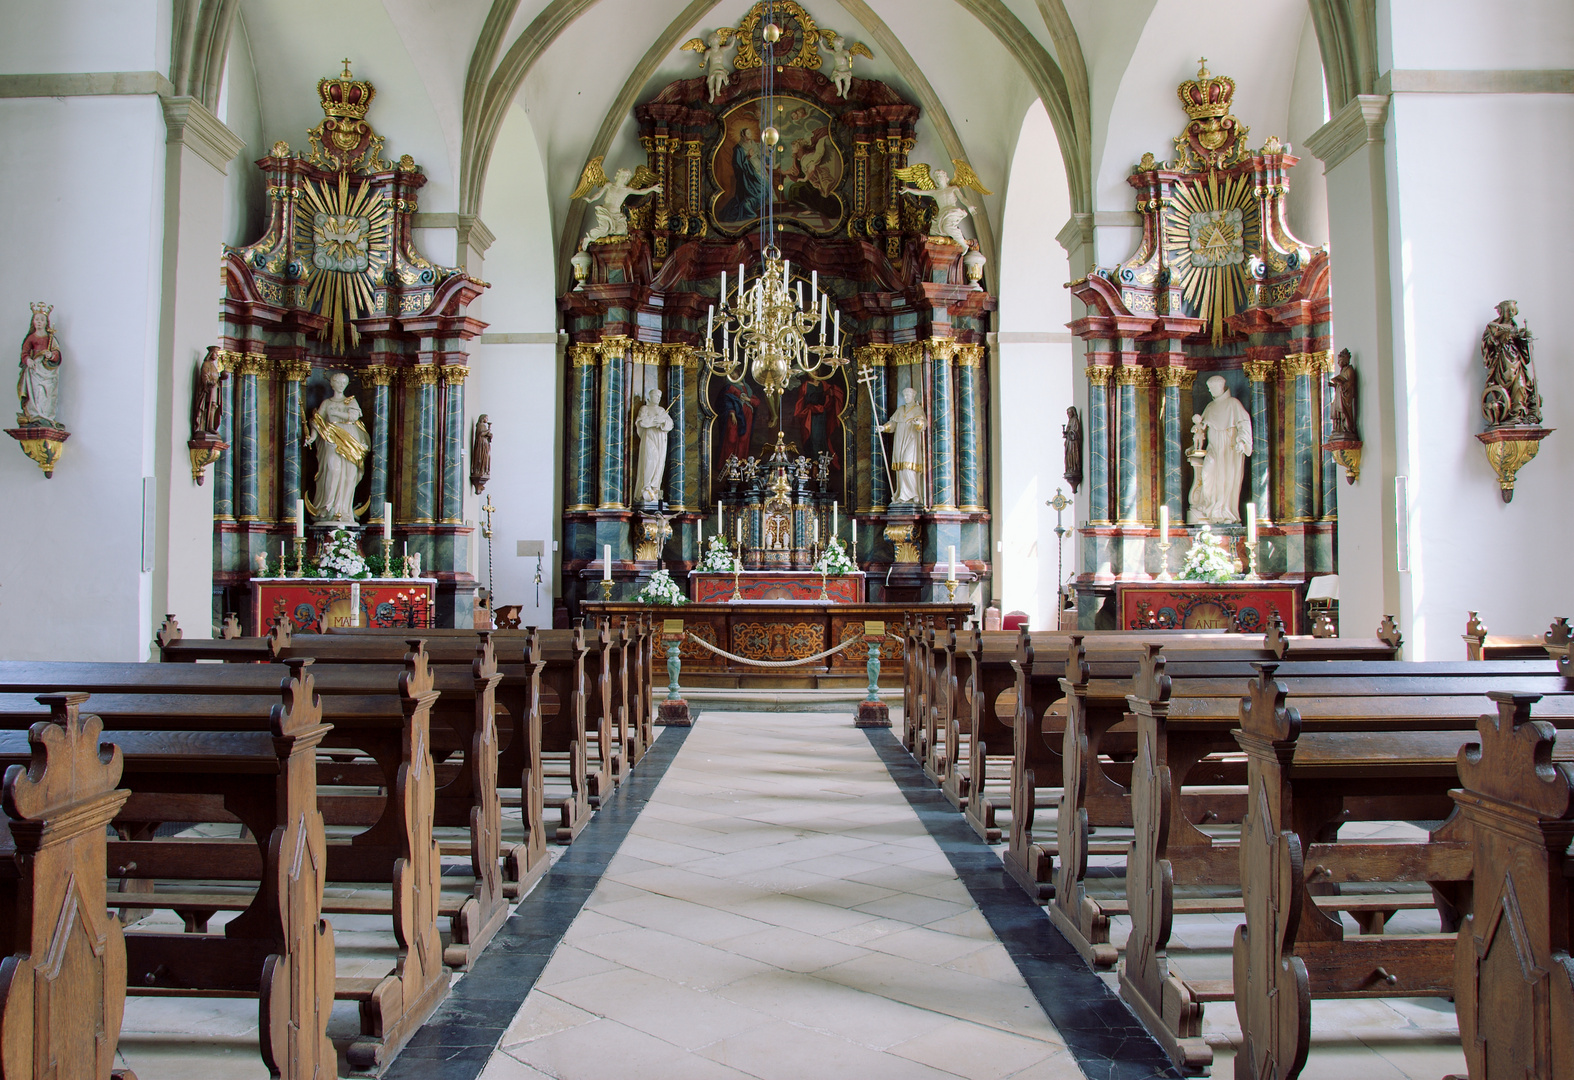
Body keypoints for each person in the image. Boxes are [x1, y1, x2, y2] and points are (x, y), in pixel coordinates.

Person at [303, 371, 369, 523]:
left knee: (349, 474)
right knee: (333, 470)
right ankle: (329, 507)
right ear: (332, 384)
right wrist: (312, 437)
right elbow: (317, 422)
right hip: (331, 439)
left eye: (343, 382)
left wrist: (336, 416)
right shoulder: (326, 403)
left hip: (351, 439)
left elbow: (353, 416)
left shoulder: (351, 401)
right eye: (338, 382)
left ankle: (344, 510)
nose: (341, 385)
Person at [1187, 375, 1252, 524]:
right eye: (1209, 389)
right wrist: (1195, 444)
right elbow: (1200, 428)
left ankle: (1224, 512)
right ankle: (1208, 506)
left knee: (1226, 479)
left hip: (1229, 450)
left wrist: (1242, 441)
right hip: (1213, 448)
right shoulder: (1210, 407)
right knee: (1207, 474)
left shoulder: (1233, 404)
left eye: (1212, 388)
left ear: (1221, 387)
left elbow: (1244, 423)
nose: (1210, 391)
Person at [17, 304, 62, 426]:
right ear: (33, 322)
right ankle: (36, 416)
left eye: (42, 320)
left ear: (46, 322)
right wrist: (28, 360)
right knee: (36, 393)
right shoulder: (31, 338)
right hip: (35, 369)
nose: (39, 322)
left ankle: (46, 416)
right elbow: (25, 352)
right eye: (36, 319)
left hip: (47, 371)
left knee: (47, 394)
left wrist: (51, 355)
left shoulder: (50, 338)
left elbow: (57, 353)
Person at [881, 386, 927, 504]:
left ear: (913, 396)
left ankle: (913, 494)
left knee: (908, 466)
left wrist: (918, 422)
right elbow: (893, 424)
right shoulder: (900, 410)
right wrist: (884, 427)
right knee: (900, 468)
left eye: (909, 395)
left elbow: (923, 424)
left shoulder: (917, 409)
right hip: (899, 440)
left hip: (911, 439)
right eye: (905, 395)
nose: (906, 397)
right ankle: (902, 494)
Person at [633, 388, 673, 504]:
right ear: (650, 397)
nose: (658, 399)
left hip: (661, 438)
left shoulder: (661, 410)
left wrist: (663, 422)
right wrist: (656, 420)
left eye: (659, 397)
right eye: (656, 396)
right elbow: (643, 423)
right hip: (649, 437)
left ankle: (655, 488)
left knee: (659, 463)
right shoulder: (644, 408)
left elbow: (670, 424)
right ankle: (646, 486)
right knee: (650, 460)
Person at [720, 126, 767, 222]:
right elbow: (737, 165)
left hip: (758, 171)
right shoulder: (738, 149)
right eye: (748, 133)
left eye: (750, 133)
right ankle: (750, 208)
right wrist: (748, 158)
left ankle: (761, 207)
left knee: (765, 188)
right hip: (747, 177)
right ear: (743, 135)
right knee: (753, 195)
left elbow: (761, 155)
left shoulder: (755, 144)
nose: (750, 135)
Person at [192, 345, 224, 436]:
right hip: (209, 390)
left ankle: (210, 426)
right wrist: (208, 383)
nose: (217, 356)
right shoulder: (206, 364)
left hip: (214, 389)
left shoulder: (213, 366)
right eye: (215, 354)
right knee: (208, 406)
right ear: (211, 354)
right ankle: (207, 426)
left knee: (213, 406)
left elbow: (215, 377)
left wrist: (221, 378)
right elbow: (204, 376)